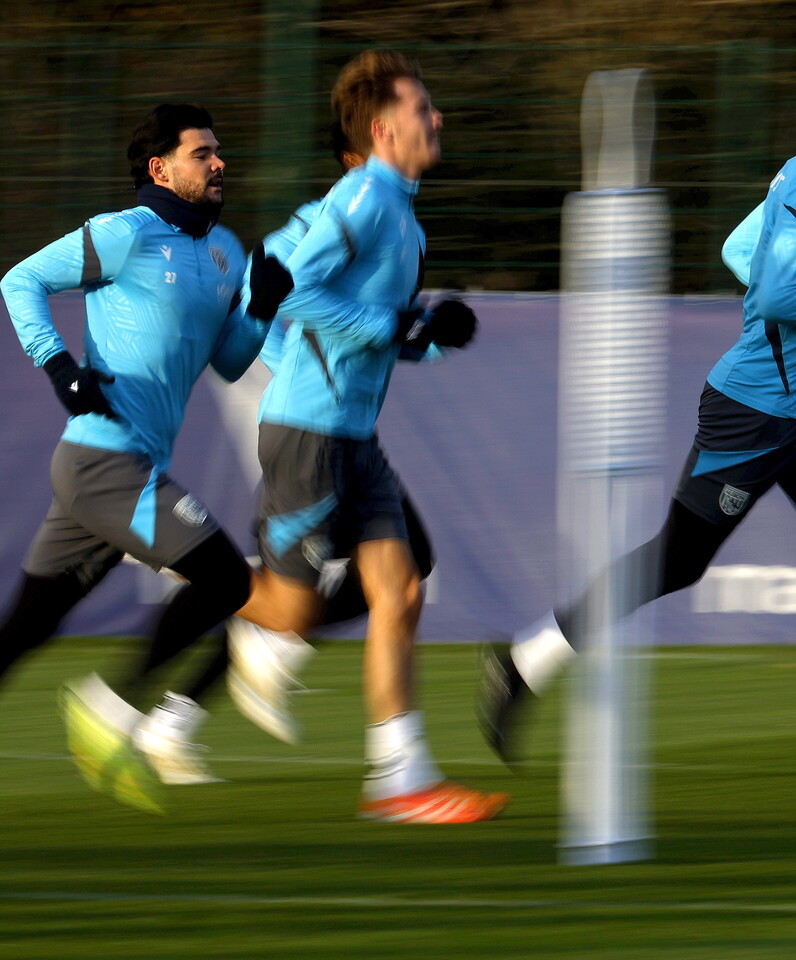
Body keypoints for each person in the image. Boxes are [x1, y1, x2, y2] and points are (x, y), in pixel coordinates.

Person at [478, 59, 796, 801]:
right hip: (754, 413)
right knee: (676, 563)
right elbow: (781, 293)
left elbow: (737, 251)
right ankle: (525, 661)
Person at [0, 103, 295, 831]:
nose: (220, 163)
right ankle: (111, 709)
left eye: (219, 152)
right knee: (227, 579)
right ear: (161, 168)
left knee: (23, 629)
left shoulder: (225, 250)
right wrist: (60, 368)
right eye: (204, 154)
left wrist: (258, 309)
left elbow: (227, 363)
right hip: (106, 462)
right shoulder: (123, 234)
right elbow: (19, 281)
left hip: (112, 471)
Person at [225, 49, 507, 824]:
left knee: (403, 588)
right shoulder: (363, 199)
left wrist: (431, 335)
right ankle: (177, 558)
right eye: (424, 109)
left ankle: (398, 781)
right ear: (384, 130)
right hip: (309, 434)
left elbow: (375, 334)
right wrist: (398, 324)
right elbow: (295, 293)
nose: (437, 118)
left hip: (355, 436)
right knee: (289, 612)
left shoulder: (403, 215)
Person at [120, 124, 439, 787]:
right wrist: (290, 362)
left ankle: (179, 711)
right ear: (361, 153)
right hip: (287, 398)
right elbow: (270, 292)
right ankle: (200, 578)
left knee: (385, 573)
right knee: (310, 591)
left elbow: (375, 322)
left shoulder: (383, 218)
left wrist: (422, 335)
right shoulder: (340, 212)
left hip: (330, 411)